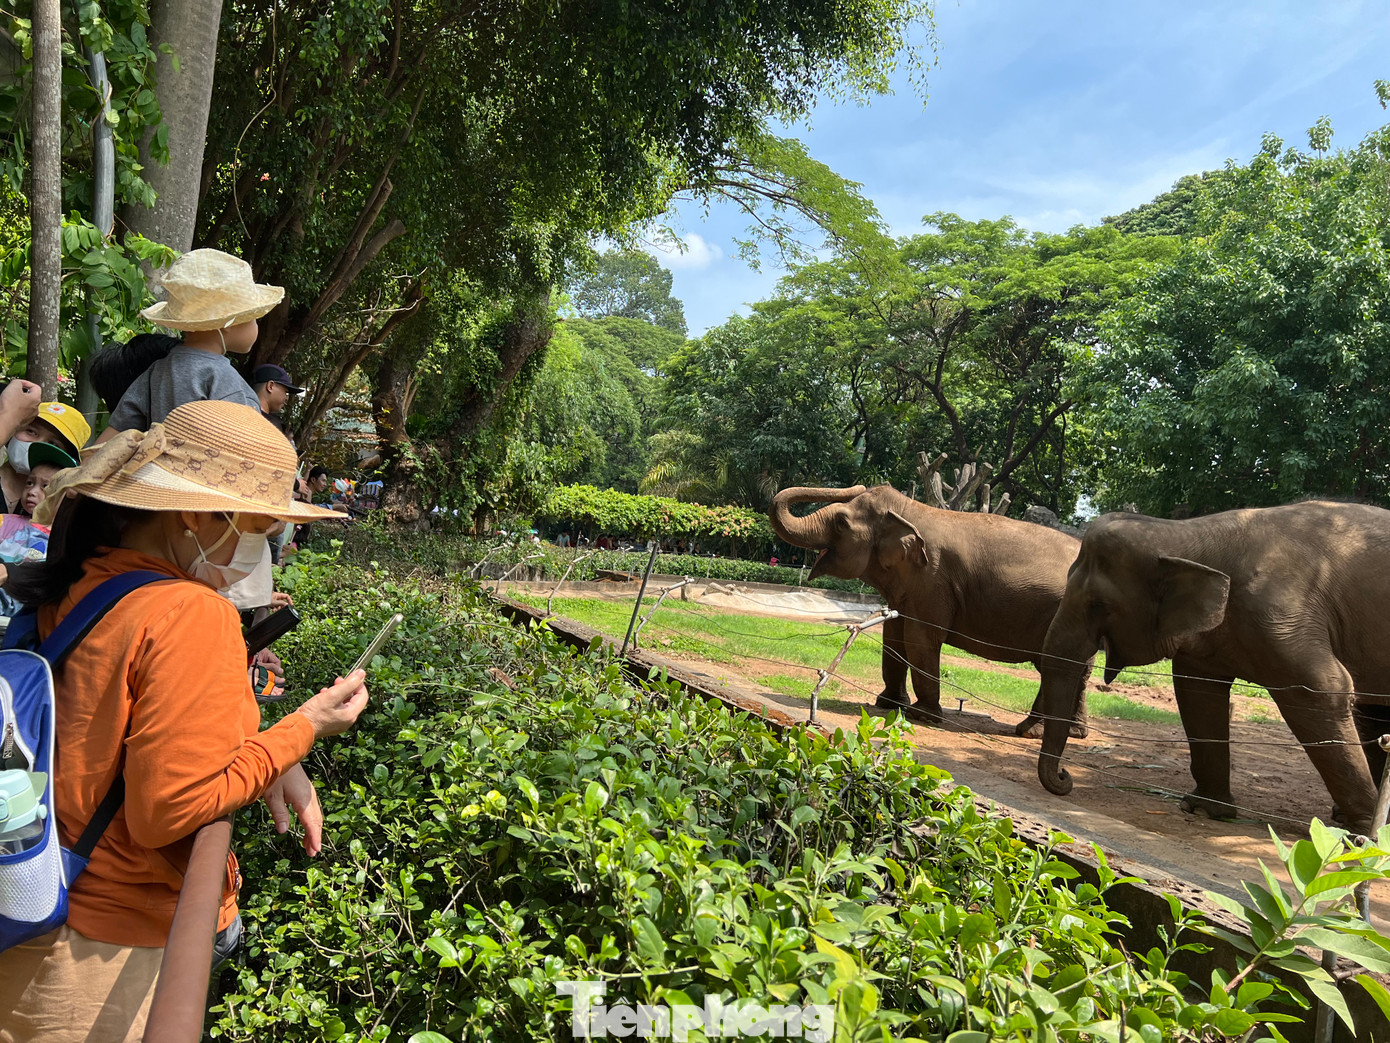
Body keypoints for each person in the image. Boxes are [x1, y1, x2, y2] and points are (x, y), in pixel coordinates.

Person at [0, 401, 365, 1042]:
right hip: (101, 954)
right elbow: (170, 809)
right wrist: (303, 728)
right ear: (196, 514)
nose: (260, 548)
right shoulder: (190, 613)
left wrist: (267, 751)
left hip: (33, 909)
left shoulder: (87, 579)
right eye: (260, 527)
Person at [97, 249, 282, 442]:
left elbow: (110, 437)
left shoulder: (155, 372)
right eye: (254, 318)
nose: (256, 326)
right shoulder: (228, 382)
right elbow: (246, 450)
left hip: (156, 461)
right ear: (228, 322)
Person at [0, 401, 91, 514]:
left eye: (53, 444)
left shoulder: (62, 508)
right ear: (12, 432)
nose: (37, 444)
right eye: (31, 431)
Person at [17, 442, 77, 518]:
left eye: (45, 486)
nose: (31, 492)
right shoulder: (6, 521)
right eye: (30, 483)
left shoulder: (66, 526)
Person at [250, 363, 305, 432]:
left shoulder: (240, 412)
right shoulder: (270, 425)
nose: (286, 398)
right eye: (285, 392)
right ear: (270, 386)